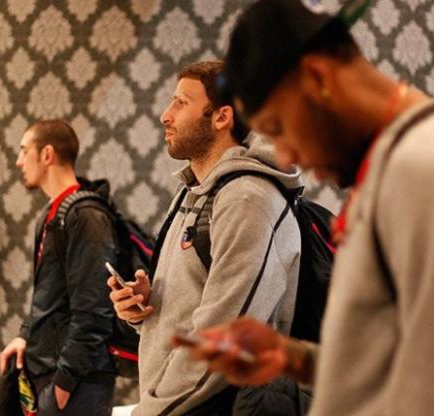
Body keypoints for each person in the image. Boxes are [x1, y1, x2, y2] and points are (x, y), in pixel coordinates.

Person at [181, 1, 434, 415]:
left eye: (277, 128)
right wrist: (290, 358)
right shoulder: (390, 167)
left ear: (317, 77)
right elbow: (395, 362)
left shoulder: (419, 166)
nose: (284, 155)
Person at [108, 61, 302, 415]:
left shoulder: (247, 199)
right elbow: (195, 309)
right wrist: (146, 309)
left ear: (222, 117)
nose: (166, 116)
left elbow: (223, 337)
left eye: (181, 102)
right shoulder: (191, 193)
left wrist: (149, 412)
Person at [0, 120, 118, 415]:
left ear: (47, 155)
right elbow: (50, 293)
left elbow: (94, 309)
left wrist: (63, 385)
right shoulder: (53, 213)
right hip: (52, 373)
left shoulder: (86, 215)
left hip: (78, 381)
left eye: (25, 151)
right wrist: (26, 335)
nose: (18, 161)